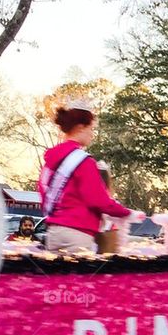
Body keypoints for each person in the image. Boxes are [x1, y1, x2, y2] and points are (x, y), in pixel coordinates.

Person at [38, 100, 132, 253]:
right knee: (78, 277)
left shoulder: (51, 161)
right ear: (81, 128)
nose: (92, 134)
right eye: (91, 129)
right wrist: (126, 212)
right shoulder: (83, 161)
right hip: (78, 234)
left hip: (53, 232)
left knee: (54, 276)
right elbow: (98, 200)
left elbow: (43, 190)